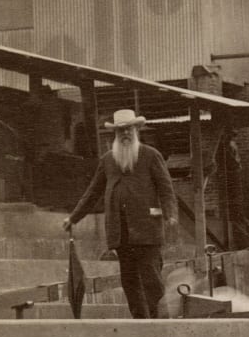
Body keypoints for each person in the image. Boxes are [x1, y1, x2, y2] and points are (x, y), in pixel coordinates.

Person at [64, 108, 179, 319]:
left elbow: (166, 188)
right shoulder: (108, 160)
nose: (125, 134)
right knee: (129, 283)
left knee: (151, 281)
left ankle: (161, 324)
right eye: (120, 131)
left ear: (136, 130)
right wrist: (73, 217)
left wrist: (170, 214)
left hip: (147, 231)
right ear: (115, 135)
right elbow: (93, 192)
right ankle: (141, 324)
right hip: (121, 234)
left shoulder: (151, 156)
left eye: (128, 130)